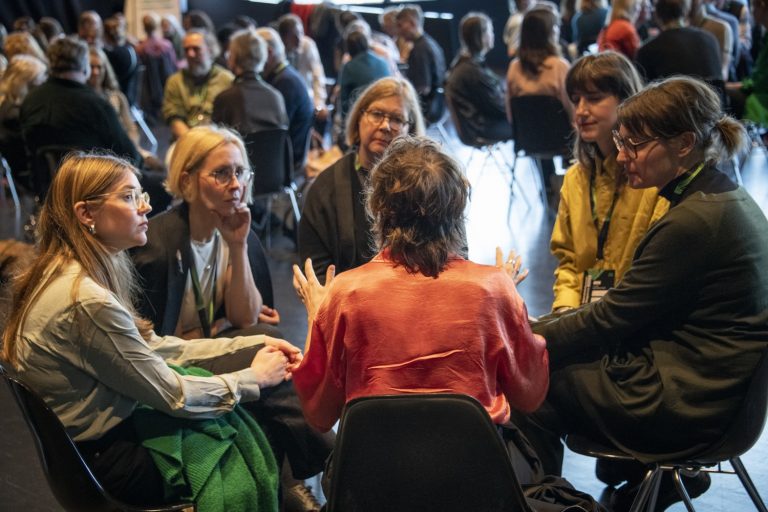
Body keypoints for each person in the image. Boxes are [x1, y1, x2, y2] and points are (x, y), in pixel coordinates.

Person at [514, 76, 768, 511]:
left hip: (689, 406)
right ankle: (631, 485)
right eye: (621, 142)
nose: (622, 156)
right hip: (718, 394)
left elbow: (610, 318)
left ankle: (548, 505)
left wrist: (525, 337)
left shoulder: (693, 222)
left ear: (684, 143)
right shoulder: (721, 197)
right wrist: (542, 329)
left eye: (634, 145)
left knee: (530, 384)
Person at [0, 151, 301, 509]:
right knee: (255, 422)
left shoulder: (67, 269)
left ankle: (304, 490)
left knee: (265, 354)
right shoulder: (85, 299)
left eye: (140, 195)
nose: (145, 206)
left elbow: (154, 347)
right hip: (114, 461)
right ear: (86, 214)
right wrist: (254, 379)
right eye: (129, 197)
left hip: (93, 448)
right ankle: (308, 490)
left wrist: (251, 344)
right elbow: (174, 396)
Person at [291, 135, 549, 486]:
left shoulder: (346, 293)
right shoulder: (492, 287)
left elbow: (320, 415)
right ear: (457, 208)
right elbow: (530, 395)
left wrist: (317, 315)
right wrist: (505, 304)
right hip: (475, 479)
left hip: (374, 481)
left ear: (378, 208)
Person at [130, 125, 333, 511]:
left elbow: (242, 314)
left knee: (267, 343)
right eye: (221, 173)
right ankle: (329, 465)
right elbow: (155, 344)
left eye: (240, 172)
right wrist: (220, 329)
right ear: (188, 180)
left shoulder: (237, 230)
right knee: (265, 344)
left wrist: (238, 245)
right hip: (168, 372)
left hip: (207, 348)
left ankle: (299, 480)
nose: (235, 184)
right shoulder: (156, 245)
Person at [551, 52, 668, 313]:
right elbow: (568, 262)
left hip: (638, 316)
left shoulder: (652, 179)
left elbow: (658, 273)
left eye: (594, 98)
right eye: (575, 100)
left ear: (627, 101)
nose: (581, 111)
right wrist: (564, 311)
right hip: (586, 316)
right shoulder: (575, 178)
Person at [298, 77, 425, 282]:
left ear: (409, 130)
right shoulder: (325, 188)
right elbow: (316, 272)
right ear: (359, 118)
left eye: (397, 119)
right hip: (345, 298)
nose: (385, 126)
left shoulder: (426, 185)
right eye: (377, 114)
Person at [20, 36, 141, 197]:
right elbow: (130, 156)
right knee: (161, 187)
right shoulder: (96, 105)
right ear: (85, 67)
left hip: (48, 194)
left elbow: (24, 155)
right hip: (96, 193)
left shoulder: (30, 101)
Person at [255, 27, 314, 177]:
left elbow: (275, 133)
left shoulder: (286, 83)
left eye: (255, 53)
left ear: (268, 53)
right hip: (285, 157)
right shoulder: (285, 76)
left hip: (286, 164)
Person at [445, 12, 512, 143]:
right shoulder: (471, 70)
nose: (493, 35)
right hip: (482, 128)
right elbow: (498, 108)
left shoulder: (465, 63)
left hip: (476, 125)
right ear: (481, 36)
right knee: (529, 123)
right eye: (490, 31)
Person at [212, 29, 289, 136]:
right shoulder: (276, 96)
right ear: (262, 57)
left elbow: (217, 141)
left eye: (229, 54)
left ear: (233, 58)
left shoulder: (225, 99)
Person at [163, 29, 234, 140]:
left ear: (210, 50)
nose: (190, 54)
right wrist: (194, 142)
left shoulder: (226, 79)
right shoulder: (175, 81)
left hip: (219, 140)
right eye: (186, 50)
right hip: (185, 139)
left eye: (196, 49)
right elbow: (174, 119)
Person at [0, 55, 47, 191]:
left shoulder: (6, 105)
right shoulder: (14, 114)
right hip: (24, 182)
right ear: (26, 83)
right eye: (40, 82)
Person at [396, 5, 447, 124]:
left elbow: (423, 88)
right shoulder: (430, 43)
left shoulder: (420, 50)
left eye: (400, 25)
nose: (398, 31)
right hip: (438, 105)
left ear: (412, 23)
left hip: (426, 109)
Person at [337, 28, 392, 122]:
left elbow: (344, 101)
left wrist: (345, 124)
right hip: (386, 112)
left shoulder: (349, 67)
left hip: (363, 117)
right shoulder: (383, 62)